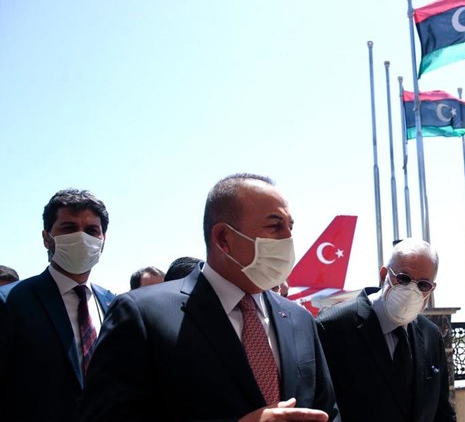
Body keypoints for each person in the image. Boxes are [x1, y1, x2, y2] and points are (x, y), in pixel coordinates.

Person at [78, 173, 337, 421]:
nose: (289, 239)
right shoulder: (143, 315)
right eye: (275, 226)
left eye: (290, 227)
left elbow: (327, 410)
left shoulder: (299, 319)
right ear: (224, 238)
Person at [0, 189, 116, 421]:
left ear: (103, 241)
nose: (82, 237)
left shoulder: (113, 303)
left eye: (92, 230)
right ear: (46, 237)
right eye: (69, 228)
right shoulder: (11, 301)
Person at [316, 238, 456, 422]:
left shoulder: (431, 335)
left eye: (423, 285)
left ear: (432, 288)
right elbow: (324, 409)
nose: (411, 290)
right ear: (384, 274)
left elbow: (442, 412)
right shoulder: (332, 327)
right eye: (404, 278)